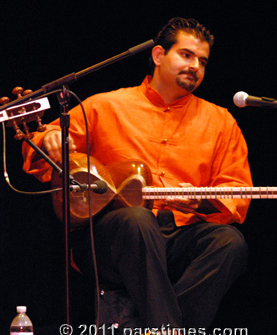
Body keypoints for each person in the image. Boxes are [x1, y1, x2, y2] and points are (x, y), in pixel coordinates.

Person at [22, 18, 251, 332]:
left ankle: (163, 327)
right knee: (137, 219)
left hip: (177, 237)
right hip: (111, 240)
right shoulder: (106, 106)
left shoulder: (221, 122)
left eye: (202, 61)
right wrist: (48, 141)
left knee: (230, 242)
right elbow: (43, 155)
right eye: (186, 55)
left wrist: (198, 203)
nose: (195, 66)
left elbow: (236, 192)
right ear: (158, 55)